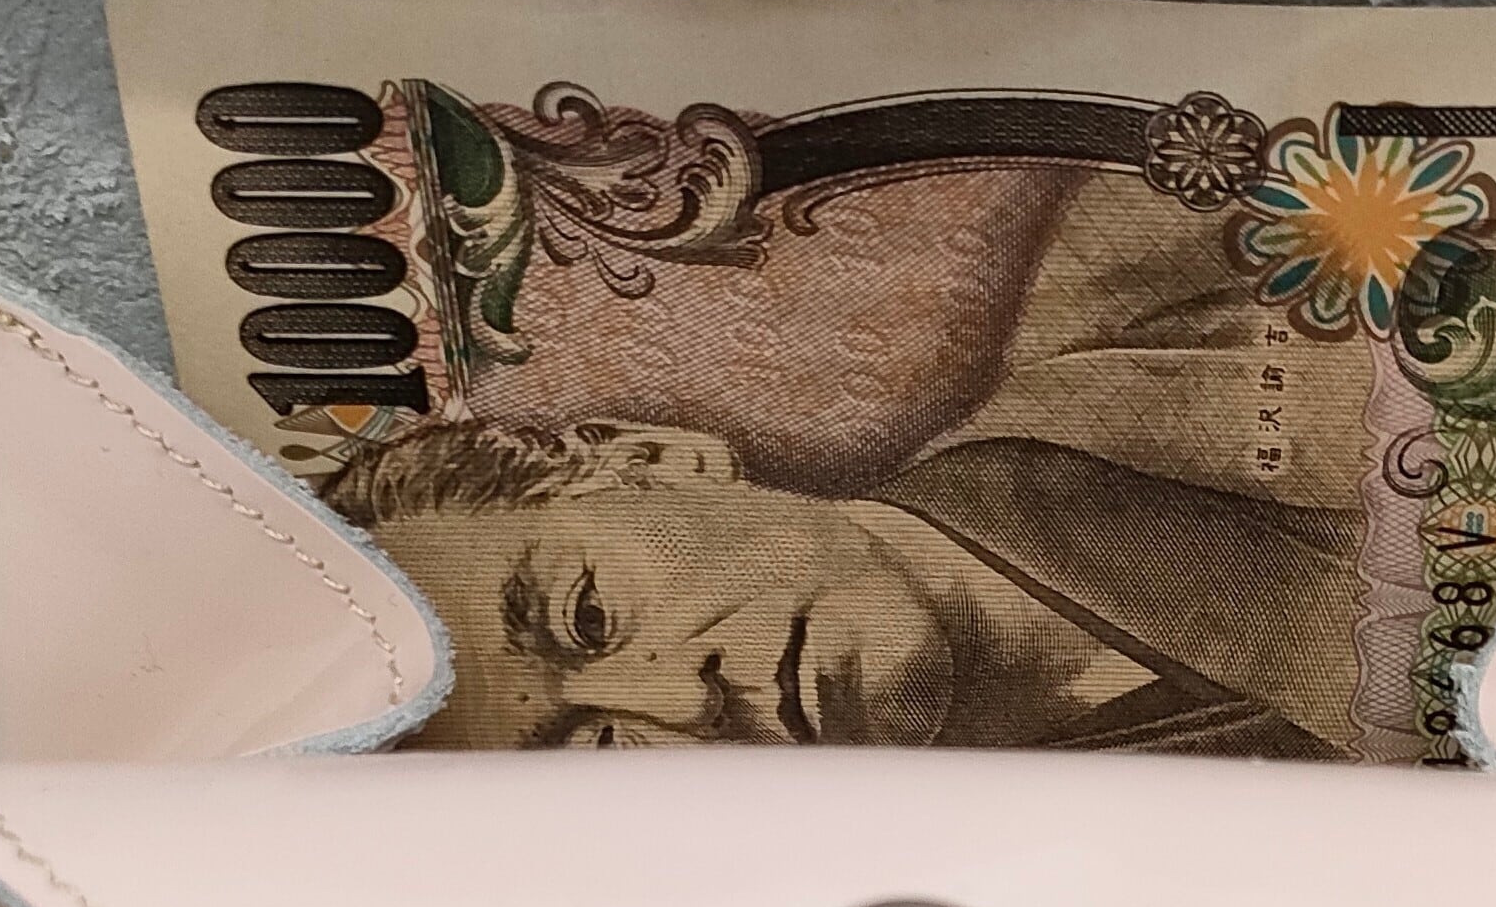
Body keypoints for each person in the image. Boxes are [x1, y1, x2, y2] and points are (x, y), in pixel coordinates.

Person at [317, 167, 1374, 755]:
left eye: (590, 614)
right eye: (596, 748)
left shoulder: (1187, 256)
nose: (681, 705)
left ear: (656, 457)